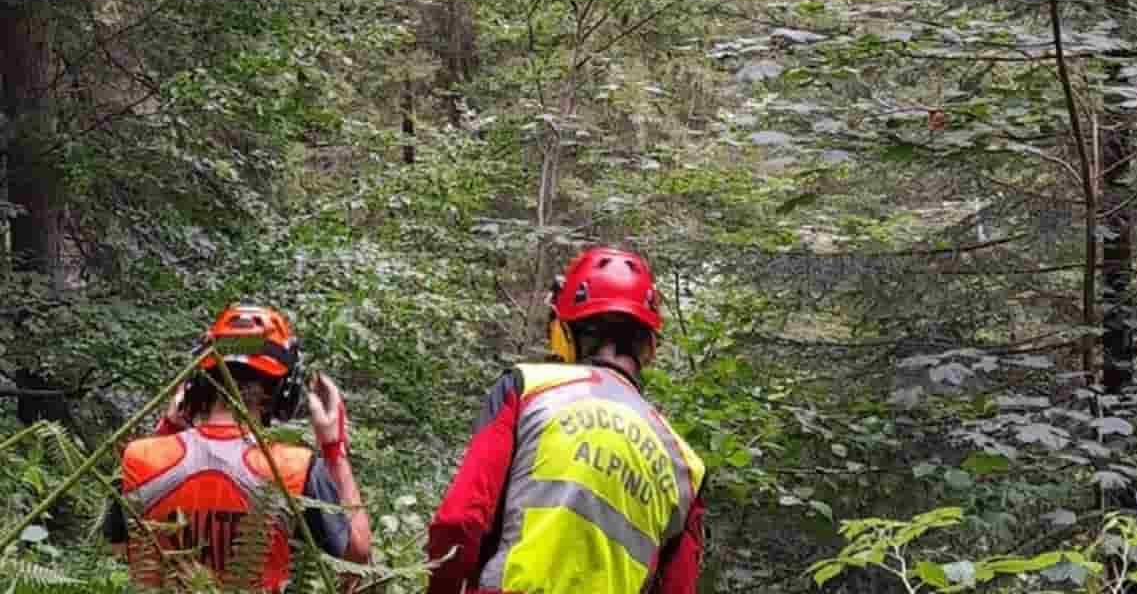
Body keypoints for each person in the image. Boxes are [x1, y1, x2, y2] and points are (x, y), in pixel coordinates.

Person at [426, 247, 707, 594]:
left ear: (567, 333)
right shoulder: (685, 465)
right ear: (649, 347)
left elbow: (459, 521)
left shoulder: (528, 388)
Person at [103, 304, 371, 591]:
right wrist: (334, 449)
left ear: (198, 379)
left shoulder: (139, 458)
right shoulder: (296, 468)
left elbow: (120, 548)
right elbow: (356, 555)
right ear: (285, 389)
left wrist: (168, 428)